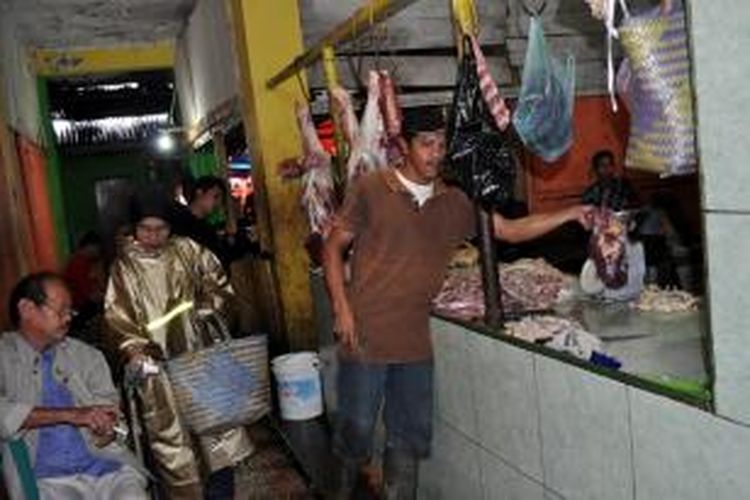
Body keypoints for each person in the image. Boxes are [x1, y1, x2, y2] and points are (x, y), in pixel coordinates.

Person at [322, 107, 592, 499]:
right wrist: (342, 308)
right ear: (403, 146)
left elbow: (510, 230)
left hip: (413, 343)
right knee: (357, 431)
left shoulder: (455, 203)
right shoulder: (372, 189)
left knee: (408, 439)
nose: (435, 153)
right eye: (426, 144)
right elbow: (332, 248)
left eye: (441, 144)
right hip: (364, 336)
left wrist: (571, 212)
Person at [103, 194, 252, 500]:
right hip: (157, 370)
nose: (154, 237)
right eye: (146, 229)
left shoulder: (187, 250)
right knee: (172, 440)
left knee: (214, 431)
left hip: (200, 358)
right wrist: (134, 350)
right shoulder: (125, 267)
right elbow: (118, 317)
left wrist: (208, 308)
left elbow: (218, 285)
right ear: (134, 228)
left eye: (161, 229)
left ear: (170, 227)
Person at [0, 273, 148, 500]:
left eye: (71, 311)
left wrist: (105, 430)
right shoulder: (4, 356)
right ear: (27, 308)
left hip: (109, 468)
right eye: (61, 311)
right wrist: (72, 415)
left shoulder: (87, 356)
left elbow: (113, 422)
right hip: (49, 480)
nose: (68, 318)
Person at [169, 175, 230, 266]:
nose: (218, 203)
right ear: (199, 193)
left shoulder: (208, 230)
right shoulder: (177, 219)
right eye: (216, 196)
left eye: (221, 199)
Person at [63, 231, 106, 328]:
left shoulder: (83, 262)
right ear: (90, 246)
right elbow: (88, 294)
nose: (98, 252)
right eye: (98, 248)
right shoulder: (78, 264)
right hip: (78, 308)